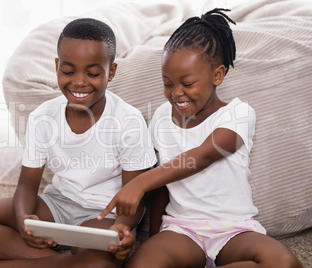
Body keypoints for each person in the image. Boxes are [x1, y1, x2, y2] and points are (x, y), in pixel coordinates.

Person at [0, 18, 156, 268]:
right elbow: (27, 187)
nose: (79, 82)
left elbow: (135, 199)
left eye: (92, 73)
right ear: (57, 66)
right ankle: (66, 262)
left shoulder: (129, 120)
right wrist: (23, 221)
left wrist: (122, 228)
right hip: (56, 203)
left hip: (105, 216)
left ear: (111, 72)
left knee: (99, 263)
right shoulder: (42, 117)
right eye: (68, 71)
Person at [98, 8, 303, 268]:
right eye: (167, 83)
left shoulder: (238, 113)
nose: (176, 93)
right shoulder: (161, 117)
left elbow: (204, 155)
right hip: (181, 230)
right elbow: (163, 183)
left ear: (217, 75)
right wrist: (155, 241)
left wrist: (140, 184)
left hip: (233, 230)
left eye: (188, 83)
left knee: (285, 264)